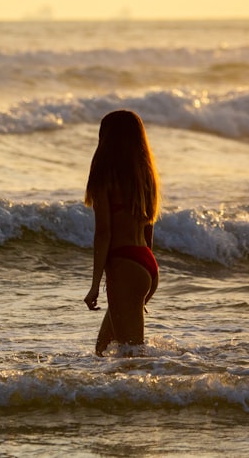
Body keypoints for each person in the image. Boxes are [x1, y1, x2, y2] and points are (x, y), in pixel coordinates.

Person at [83, 110, 160, 355]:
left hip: (124, 266)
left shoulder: (104, 176)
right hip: (145, 263)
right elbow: (149, 225)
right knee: (102, 350)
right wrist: (147, 275)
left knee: (132, 356)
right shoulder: (145, 177)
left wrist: (95, 285)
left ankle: (166, 392)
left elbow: (103, 233)